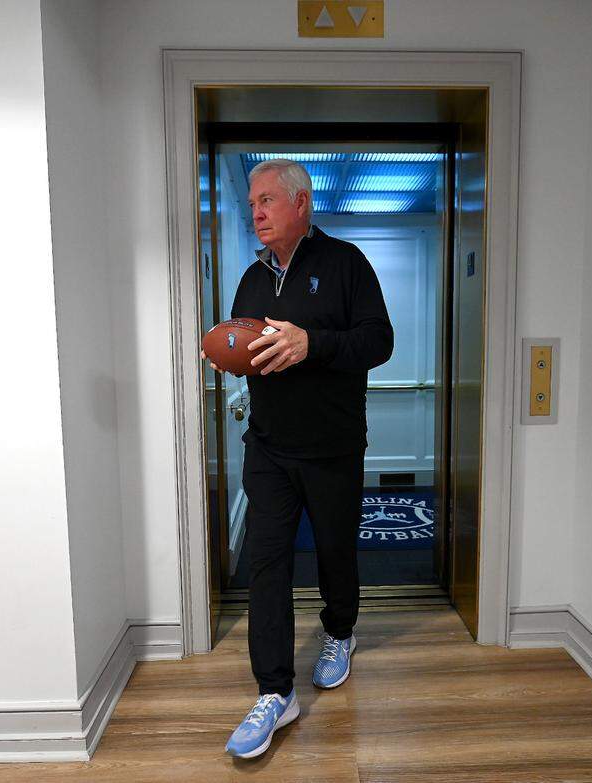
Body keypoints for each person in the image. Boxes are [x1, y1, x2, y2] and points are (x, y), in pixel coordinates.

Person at [200, 158, 393, 759]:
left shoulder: (346, 265)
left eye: (266, 201)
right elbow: (243, 341)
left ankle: (339, 631)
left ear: (300, 204)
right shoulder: (252, 278)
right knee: (267, 564)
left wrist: (313, 344)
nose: (255, 212)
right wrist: (227, 356)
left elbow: (379, 341)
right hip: (268, 448)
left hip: (333, 447)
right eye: (252, 202)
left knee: (335, 550)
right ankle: (274, 692)